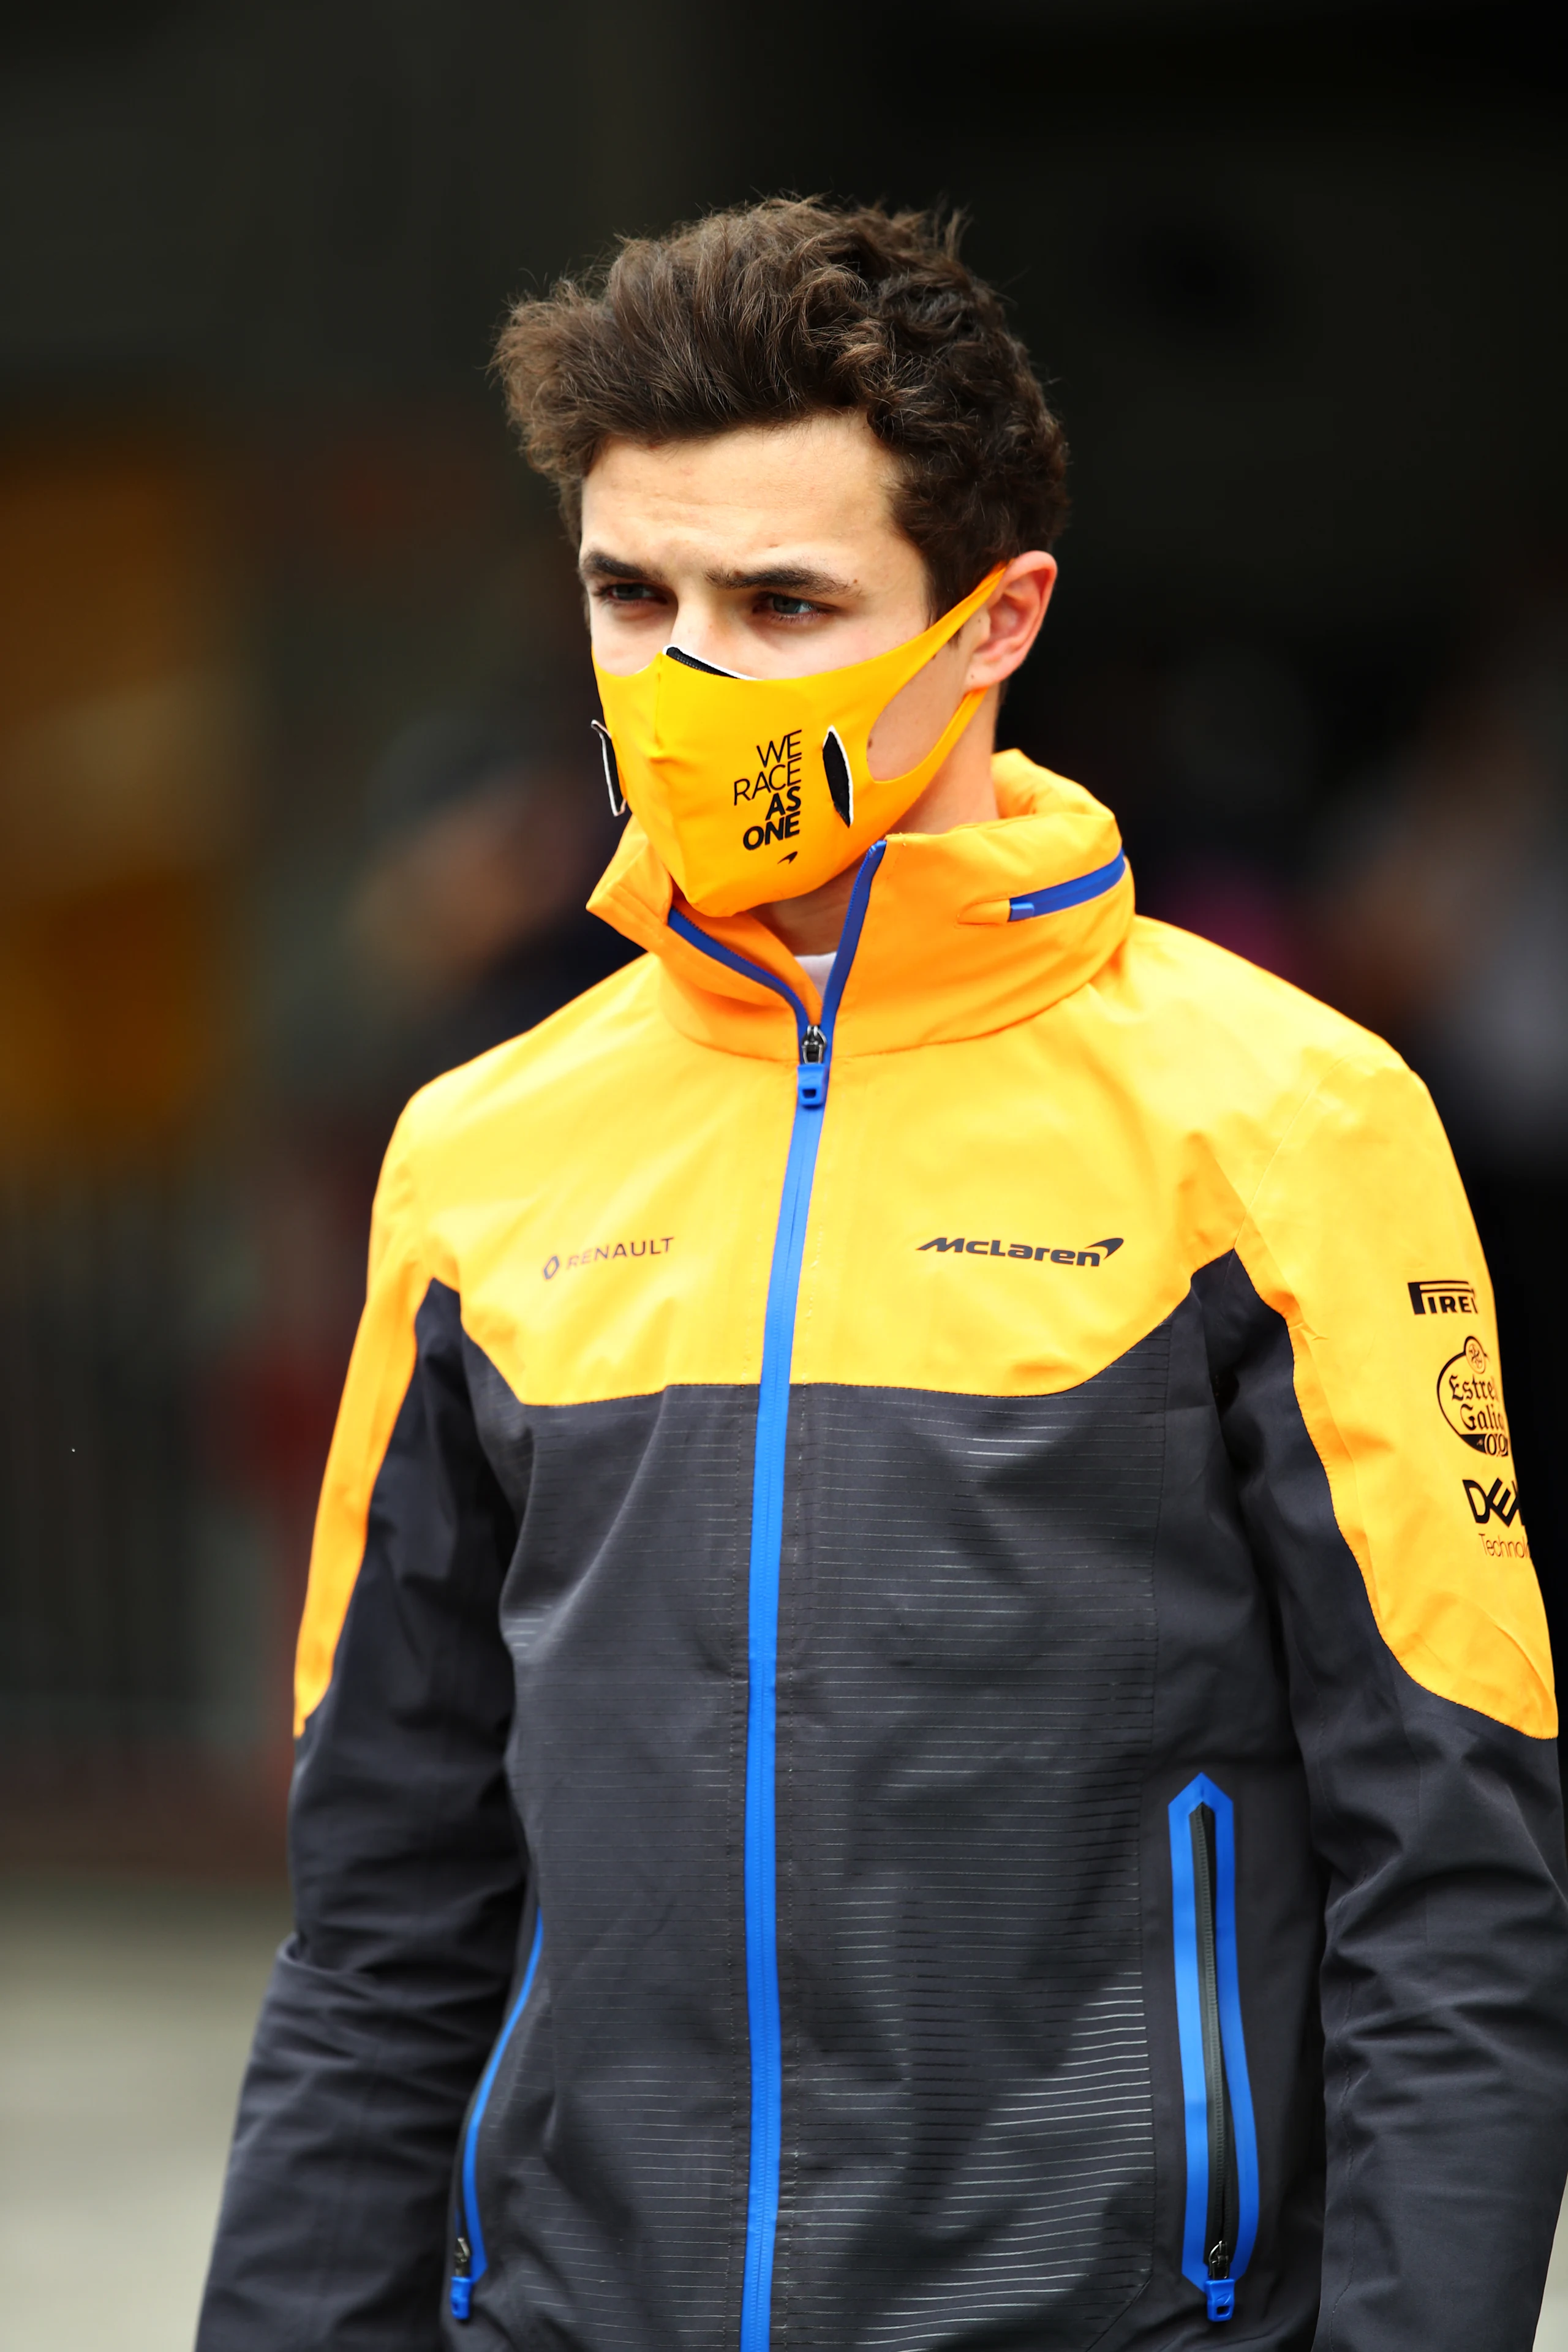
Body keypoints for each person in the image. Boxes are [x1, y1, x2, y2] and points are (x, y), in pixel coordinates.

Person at [197, 201, 1568, 2352]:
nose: (691, 678)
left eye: (785, 603)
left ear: (995, 617)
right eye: (631, 594)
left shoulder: (1290, 1122)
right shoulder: (477, 1153)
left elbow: (1461, 1900)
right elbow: (384, 1928)